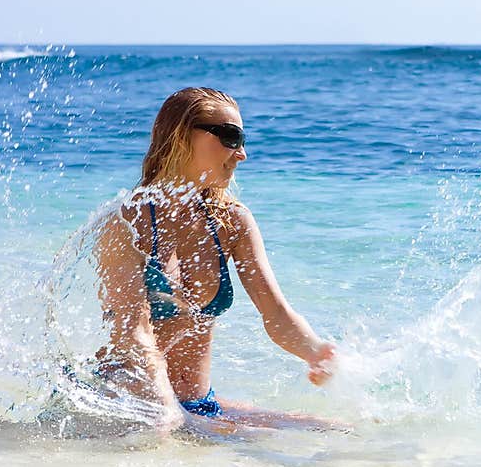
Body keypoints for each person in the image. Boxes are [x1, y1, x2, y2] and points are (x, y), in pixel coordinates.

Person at [91, 87, 337, 432]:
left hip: (195, 405)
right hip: (125, 402)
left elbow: (276, 313)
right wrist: (168, 413)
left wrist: (316, 352)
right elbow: (133, 334)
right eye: (230, 137)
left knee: (330, 431)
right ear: (181, 135)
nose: (242, 154)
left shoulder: (232, 222)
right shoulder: (127, 223)